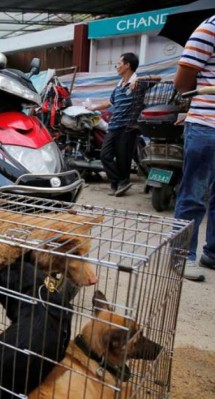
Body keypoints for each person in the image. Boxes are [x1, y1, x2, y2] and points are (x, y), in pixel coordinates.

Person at [171, 14, 215, 282]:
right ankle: (181, 256)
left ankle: (212, 253)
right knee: (194, 195)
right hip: (207, 125)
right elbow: (182, 83)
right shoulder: (209, 28)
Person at [88, 53, 159, 197]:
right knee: (105, 155)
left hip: (128, 127)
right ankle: (121, 181)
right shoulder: (119, 85)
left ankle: (118, 185)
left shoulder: (138, 83)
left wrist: (140, 79)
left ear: (127, 65)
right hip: (114, 126)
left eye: (119, 63)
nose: (117, 66)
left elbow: (159, 79)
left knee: (123, 159)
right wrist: (94, 108)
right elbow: (111, 102)